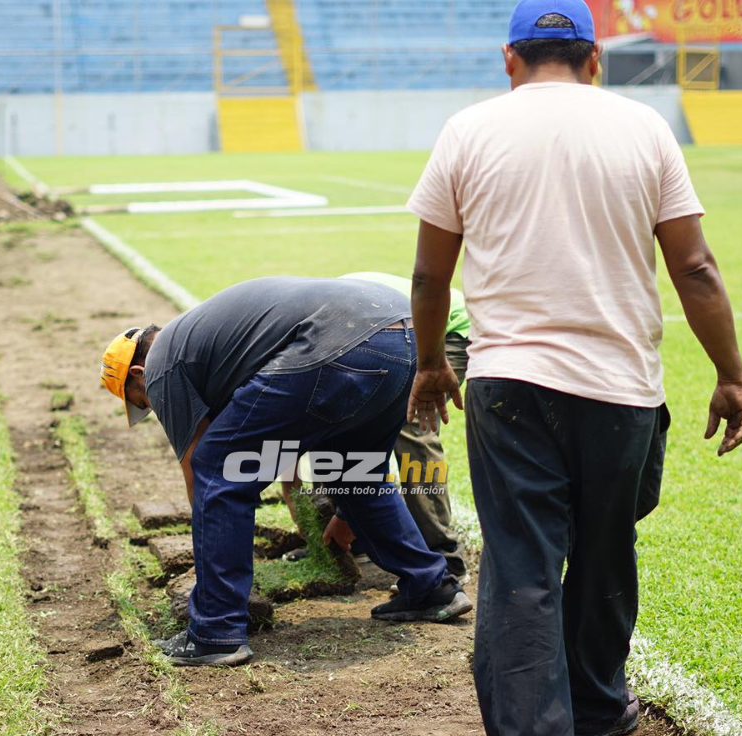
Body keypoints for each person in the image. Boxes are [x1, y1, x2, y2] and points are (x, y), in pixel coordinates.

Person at [406, 0, 742, 736]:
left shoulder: (468, 131)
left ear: (510, 58)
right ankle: (597, 711)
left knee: (524, 567)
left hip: (512, 383)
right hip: (621, 388)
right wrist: (730, 374)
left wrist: (429, 363)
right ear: (596, 59)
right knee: (605, 546)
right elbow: (695, 268)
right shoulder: (645, 129)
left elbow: (428, 277)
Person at [100, 277, 472, 667]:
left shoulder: (162, 365)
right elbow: (277, 439)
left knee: (217, 466)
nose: (154, 407)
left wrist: (211, 557)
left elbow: (205, 471)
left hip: (343, 341)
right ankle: (432, 587)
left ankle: (216, 630)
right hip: (407, 333)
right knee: (357, 473)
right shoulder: (214, 345)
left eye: (142, 401)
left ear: (139, 374)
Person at [340, 272, 471, 585]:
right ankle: (358, 531)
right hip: (398, 330)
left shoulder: (326, 327)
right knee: (343, 422)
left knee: (412, 425)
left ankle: (443, 557)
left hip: (445, 328)